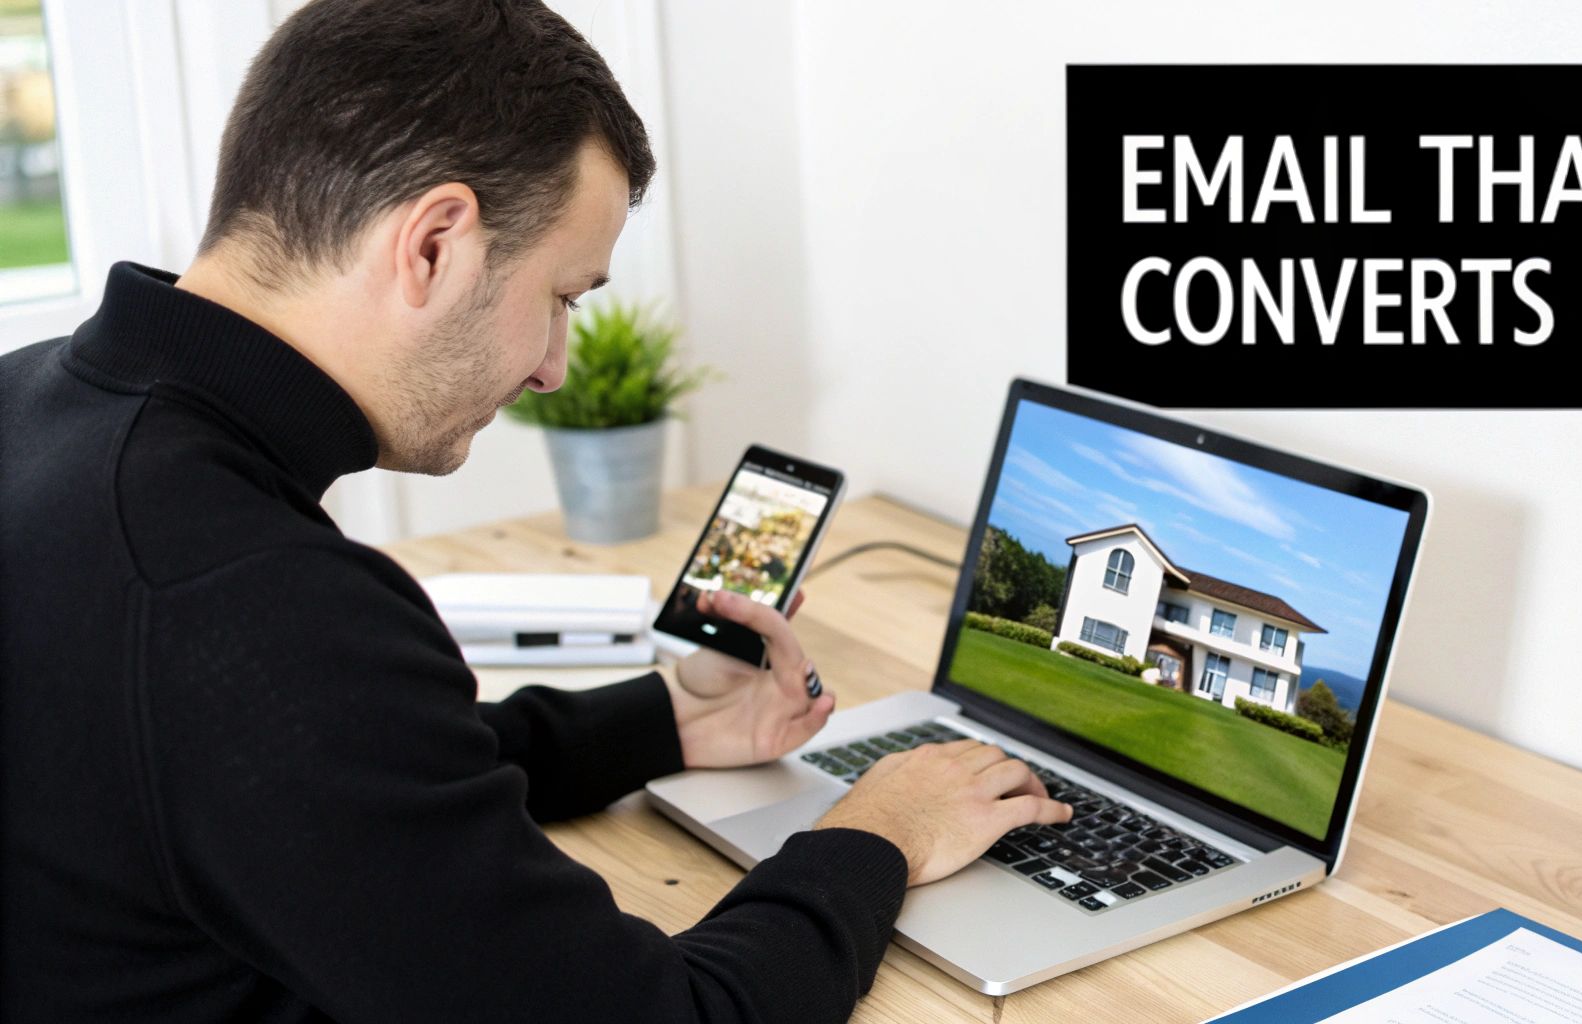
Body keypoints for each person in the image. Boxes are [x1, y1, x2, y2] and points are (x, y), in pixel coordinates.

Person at [0, 1, 1071, 1021]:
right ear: (434, 243)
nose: (554, 366)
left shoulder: (38, 411)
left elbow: (309, 777)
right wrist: (879, 830)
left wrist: (661, 721)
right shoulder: (244, 603)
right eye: (562, 296)